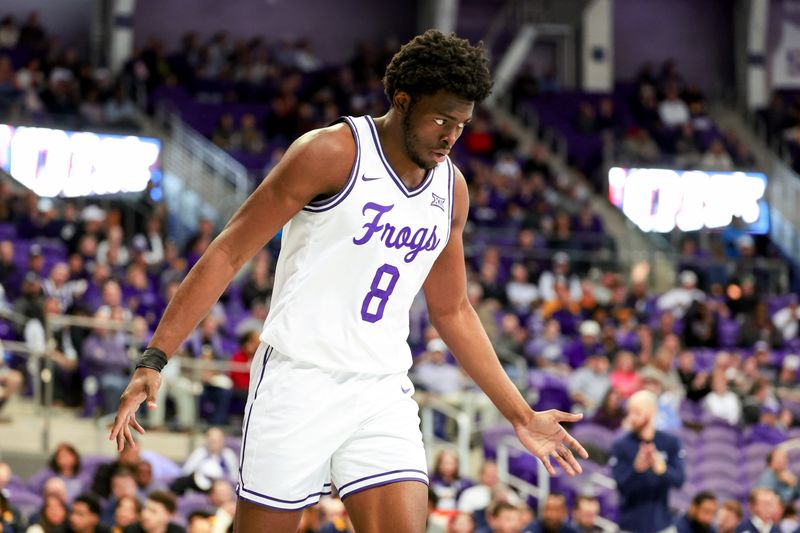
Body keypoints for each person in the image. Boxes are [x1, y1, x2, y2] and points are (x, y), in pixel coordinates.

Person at [110, 30, 587, 533]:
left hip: (381, 389)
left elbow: (453, 312)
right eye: (441, 119)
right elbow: (228, 252)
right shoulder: (330, 153)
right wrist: (155, 356)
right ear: (402, 103)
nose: (451, 136)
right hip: (299, 379)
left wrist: (520, 414)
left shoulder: (452, 188)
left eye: (462, 124)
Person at [610, 390, 685, 533]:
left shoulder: (670, 442)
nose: (632, 417)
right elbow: (620, 485)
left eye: (637, 412)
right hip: (629, 524)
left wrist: (662, 469)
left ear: (652, 412)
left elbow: (679, 480)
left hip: (662, 524)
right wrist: (636, 470)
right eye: (630, 412)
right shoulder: (621, 445)